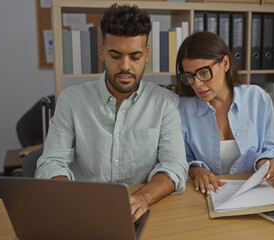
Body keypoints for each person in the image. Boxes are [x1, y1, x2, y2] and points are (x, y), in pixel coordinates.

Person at [35, 3, 188, 221]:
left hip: (141, 212)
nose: (125, 66)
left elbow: (174, 166)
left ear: (146, 54)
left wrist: (143, 197)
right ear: (101, 52)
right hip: (81, 210)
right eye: (115, 56)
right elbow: (51, 162)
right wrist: (71, 199)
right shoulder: (71, 100)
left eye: (135, 57)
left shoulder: (166, 104)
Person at [176, 31, 274, 195]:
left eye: (204, 73)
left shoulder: (256, 98)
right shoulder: (183, 110)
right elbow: (178, 160)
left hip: (255, 193)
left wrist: (267, 161)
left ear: (226, 63)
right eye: (189, 76)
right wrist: (195, 171)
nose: (197, 84)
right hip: (205, 197)